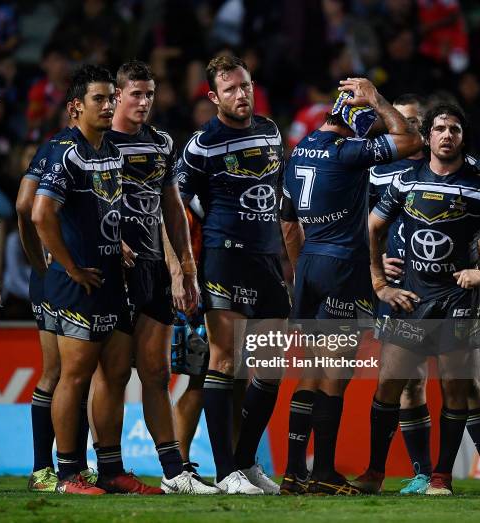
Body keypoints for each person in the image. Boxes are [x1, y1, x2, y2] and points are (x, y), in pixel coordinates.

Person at [280, 77, 422, 495]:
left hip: (308, 266)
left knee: (309, 371)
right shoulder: (348, 153)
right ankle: (323, 470)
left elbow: (288, 225)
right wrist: (377, 97)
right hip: (344, 266)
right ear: (358, 125)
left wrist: (302, 269)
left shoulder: (300, 148)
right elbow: (411, 140)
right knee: (335, 375)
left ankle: (292, 471)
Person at [87, 60, 214, 495]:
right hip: (112, 273)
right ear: (117, 96)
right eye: (135, 94)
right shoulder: (96, 142)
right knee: (114, 375)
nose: (143, 102)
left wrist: (185, 267)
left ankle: (175, 472)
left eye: (149, 94)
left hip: (154, 269)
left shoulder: (161, 142)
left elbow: (172, 208)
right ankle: (108, 468)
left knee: (157, 374)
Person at [352, 103, 480, 496]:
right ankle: (375, 473)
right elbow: (372, 227)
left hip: (458, 300)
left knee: (455, 388)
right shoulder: (406, 181)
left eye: (455, 130)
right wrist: (379, 283)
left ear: (463, 138)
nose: (448, 136)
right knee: (388, 386)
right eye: (440, 129)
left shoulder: (479, 187)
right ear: (426, 137)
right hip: (411, 297)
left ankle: (441, 477)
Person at [177, 55, 288, 495]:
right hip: (224, 257)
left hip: (266, 261)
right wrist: (180, 268)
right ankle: (226, 473)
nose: (241, 95)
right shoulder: (201, 144)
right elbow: (175, 206)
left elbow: (279, 197)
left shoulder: (271, 130)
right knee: (223, 361)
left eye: (245, 86)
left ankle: (246, 461)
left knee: (269, 365)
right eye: (230, 89)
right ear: (213, 97)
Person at [31, 64, 129, 496]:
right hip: (78, 282)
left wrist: (119, 241)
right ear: (76, 106)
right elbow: (39, 213)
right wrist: (68, 266)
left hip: (109, 276)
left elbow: (104, 208)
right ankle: (68, 473)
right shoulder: (64, 151)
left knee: (113, 374)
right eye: (99, 99)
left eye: (112, 98)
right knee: (73, 377)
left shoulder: (108, 149)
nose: (109, 106)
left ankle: (109, 469)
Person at [16, 106, 93, 493]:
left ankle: (63, 466)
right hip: (60, 273)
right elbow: (27, 210)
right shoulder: (65, 150)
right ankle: (49, 468)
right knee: (62, 373)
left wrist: (38, 262)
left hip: (49, 273)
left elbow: (21, 205)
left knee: (66, 373)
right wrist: (43, 260)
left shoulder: (50, 148)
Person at [368, 94, 432, 494]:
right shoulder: (375, 171)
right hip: (396, 291)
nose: (401, 130)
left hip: (443, 288)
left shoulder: (445, 167)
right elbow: (362, 228)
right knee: (406, 380)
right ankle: (422, 471)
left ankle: (432, 472)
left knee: (463, 383)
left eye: (409, 123)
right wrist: (376, 267)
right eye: (396, 123)